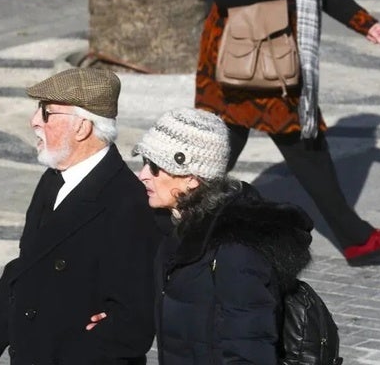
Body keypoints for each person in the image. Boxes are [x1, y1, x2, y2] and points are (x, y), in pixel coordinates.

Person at [195, 0, 380, 265]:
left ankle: (356, 239)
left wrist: (364, 22)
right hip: (239, 61)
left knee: (289, 145)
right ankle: (167, 217)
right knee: (244, 146)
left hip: (270, 58)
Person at [0, 68, 160, 365]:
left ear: (82, 128)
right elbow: (25, 271)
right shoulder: (54, 179)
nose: (34, 121)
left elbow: (133, 324)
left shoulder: (127, 202)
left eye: (47, 113)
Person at [132, 107, 315, 364]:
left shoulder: (235, 253)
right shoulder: (176, 229)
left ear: (191, 179)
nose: (142, 175)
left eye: (154, 167)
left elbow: (249, 350)